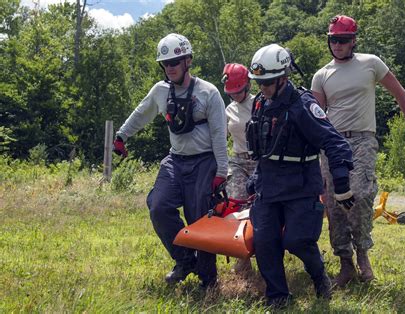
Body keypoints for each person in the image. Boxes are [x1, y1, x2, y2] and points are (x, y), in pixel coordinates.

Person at [311, 15, 405, 287]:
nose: (337, 45)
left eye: (342, 40)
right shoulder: (322, 75)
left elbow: (400, 94)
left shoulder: (370, 63)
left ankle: (362, 253)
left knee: (360, 195)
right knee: (335, 202)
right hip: (332, 144)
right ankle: (345, 263)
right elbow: (316, 118)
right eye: (333, 39)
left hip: (362, 140)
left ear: (353, 41)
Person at [113, 33, 228, 288]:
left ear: (188, 61)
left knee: (200, 218)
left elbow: (220, 135)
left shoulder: (208, 92)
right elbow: (141, 114)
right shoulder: (160, 91)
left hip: (205, 161)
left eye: (174, 62)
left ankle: (208, 280)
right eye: (165, 64)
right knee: (158, 205)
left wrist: (221, 171)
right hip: (175, 161)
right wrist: (122, 135)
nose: (170, 68)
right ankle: (185, 259)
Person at [246, 43, 355, 307]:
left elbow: (335, 143)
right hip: (268, 185)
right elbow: (264, 147)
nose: (262, 88)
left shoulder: (303, 105)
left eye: (267, 82)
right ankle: (278, 297)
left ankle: (320, 277)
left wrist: (341, 184)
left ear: (283, 77)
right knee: (265, 241)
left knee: (297, 241)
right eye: (258, 82)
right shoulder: (260, 103)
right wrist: (254, 181)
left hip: (301, 186)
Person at [221, 63, 257, 273]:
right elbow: (220, 137)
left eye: (238, 91)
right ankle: (242, 261)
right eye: (231, 93)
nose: (235, 96)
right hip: (238, 161)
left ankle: (264, 250)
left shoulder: (260, 104)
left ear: (248, 85)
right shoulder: (228, 110)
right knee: (237, 206)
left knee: (260, 208)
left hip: (260, 162)